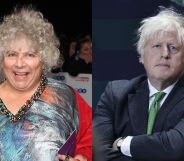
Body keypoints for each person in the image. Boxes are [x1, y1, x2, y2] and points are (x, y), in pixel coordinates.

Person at [0, 6, 92, 161]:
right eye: (12, 54)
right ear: (2, 59)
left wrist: (83, 157)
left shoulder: (66, 97)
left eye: (30, 54)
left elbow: (93, 140)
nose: (20, 63)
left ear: (43, 59)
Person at [93, 7, 184, 161]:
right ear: (142, 56)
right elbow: (99, 152)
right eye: (156, 46)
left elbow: (176, 146)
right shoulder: (115, 94)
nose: (165, 54)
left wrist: (124, 144)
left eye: (173, 47)